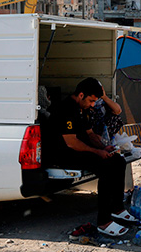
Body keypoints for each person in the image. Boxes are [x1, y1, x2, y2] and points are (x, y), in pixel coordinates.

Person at [47, 77, 135, 237]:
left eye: (95, 101)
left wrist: (104, 147)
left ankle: (117, 208)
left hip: (80, 150)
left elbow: (90, 134)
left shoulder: (84, 109)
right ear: (81, 95)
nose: (93, 104)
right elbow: (72, 143)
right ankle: (104, 221)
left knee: (118, 161)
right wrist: (97, 152)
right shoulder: (66, 109)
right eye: (91, 100)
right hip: (64, 154)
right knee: (106, 168)